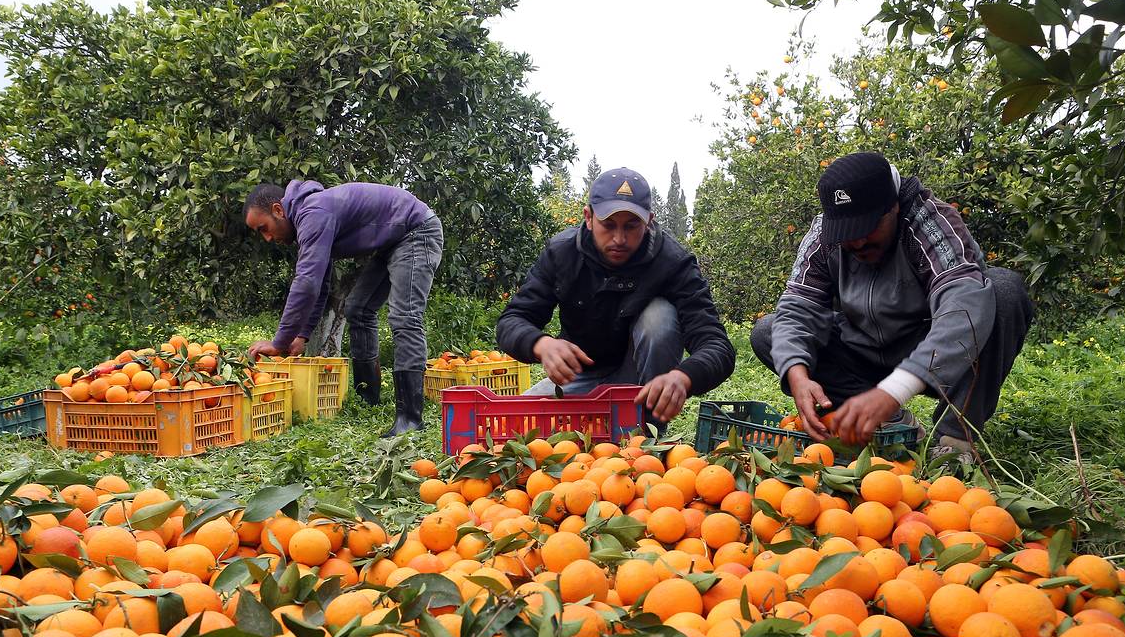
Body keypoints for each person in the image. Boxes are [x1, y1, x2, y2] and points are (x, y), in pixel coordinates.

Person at [750, 151, 1034, 459]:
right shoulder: (824, 236)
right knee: (770, 331)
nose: (857, 243)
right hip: (860, 350)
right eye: (848, 234)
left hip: (932, 352)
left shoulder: (927, 221)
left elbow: (961, 302)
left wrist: (896, 388)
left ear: (894, 207)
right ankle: (889, 422)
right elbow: (798, 307)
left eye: (867, 228)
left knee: (1004, 292)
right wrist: (796, 373)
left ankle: (955, 438)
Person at [496, 167, 736, 431]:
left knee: (659, 316)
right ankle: (600, 413)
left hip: (639, 384)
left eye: (631, 226)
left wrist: (684, 377)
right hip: (582, 374)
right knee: (511, 429)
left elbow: (716, 344)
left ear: (649, 221)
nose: (619, 239)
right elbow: (512, 320)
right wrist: (541, 344)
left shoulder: (673, 263)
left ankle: (647, 434)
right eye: (608, 225)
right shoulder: (562, 254)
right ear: (588, 218)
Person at [243, 180, 443, 437]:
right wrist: (301, 335)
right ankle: (367, 398)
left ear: (278, 210)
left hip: (417, 231)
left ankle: (410, 418)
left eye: (264, 228)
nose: (267, 238)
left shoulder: (313, 214)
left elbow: (306, 284)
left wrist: (279, 342)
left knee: (405, 317)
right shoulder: (310, 217)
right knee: (358, 308)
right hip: (393, 241)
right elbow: (319, 283)